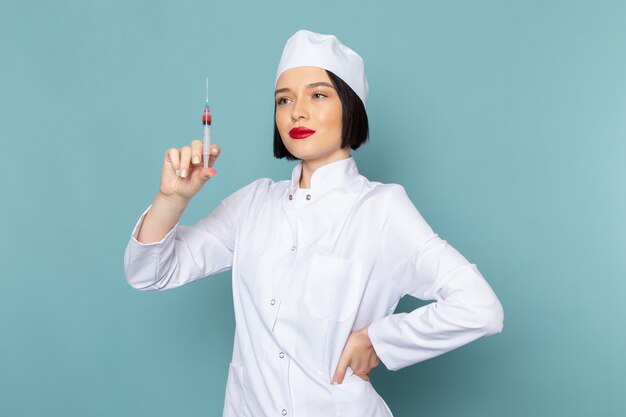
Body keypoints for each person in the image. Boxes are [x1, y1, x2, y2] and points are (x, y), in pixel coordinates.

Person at [124, 29, 504, 417]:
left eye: (318, 94)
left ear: (350, 107)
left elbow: (480, 308)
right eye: (283, 100)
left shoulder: (380, 209)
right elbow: (150, 273)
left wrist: (378, 338)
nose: (297, 111)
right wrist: (172, 200)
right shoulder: (253, 204)